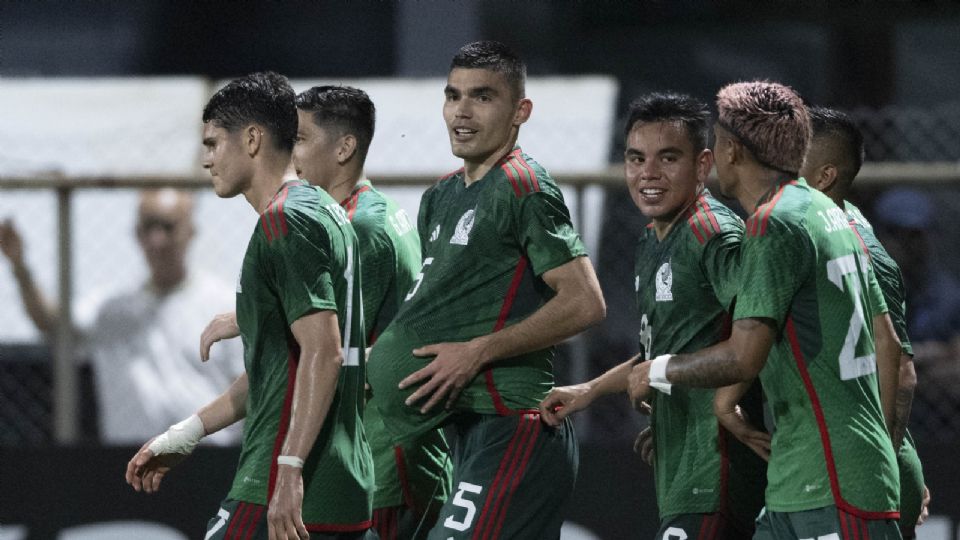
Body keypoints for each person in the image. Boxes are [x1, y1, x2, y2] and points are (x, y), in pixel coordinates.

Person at [627, 81, 904, 539]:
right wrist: (881, 457)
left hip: (831, 483)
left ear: (733, 150)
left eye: (715, 142)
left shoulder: (773, 224)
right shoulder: (828, 211)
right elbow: (887, 342)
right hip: (803, 480)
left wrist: (656, 371)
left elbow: (742, 355)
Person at [365, 41, 606, 539]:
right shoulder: (442, 194)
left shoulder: (525, 187)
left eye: (482, 97)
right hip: (467, 431)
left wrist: (477, 353)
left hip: (516, 425)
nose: (462, 111)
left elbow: (585, 302)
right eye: (452, 96)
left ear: (521, 110)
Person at [125, 72, 374, 540]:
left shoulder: (285, 222)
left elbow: (325, 352)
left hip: (281, 484)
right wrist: (189, 431)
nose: (207, 160)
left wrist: (288, 468)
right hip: (340, 482)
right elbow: (282, 368)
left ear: (253, 139)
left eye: (214, 143)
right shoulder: (324, 210)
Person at [201, 84, 454, 539]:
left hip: (382, 453)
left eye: (299, 139)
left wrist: (289, 463)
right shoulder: (366, 214)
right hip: (387, 451)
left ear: (344, 147)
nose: (290, 153)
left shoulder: (360, 228)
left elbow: (332, 346)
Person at [539, 92, 767, 539]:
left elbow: (759, 335)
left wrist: (717, 404)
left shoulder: (713, 234)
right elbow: (659, 353)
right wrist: (590, 389)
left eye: (668, 158)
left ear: (703, 165)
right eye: (636, 158)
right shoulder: (653, 238)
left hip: (716, 466)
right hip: (682, 461)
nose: (648, 173)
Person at [0, 190, 243, 445]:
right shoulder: (110, 310)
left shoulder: (224, 305)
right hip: (133, 464)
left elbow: (249, 386)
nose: (157, 239)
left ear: (190, 231)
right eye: (149, 226)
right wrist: (20, 268)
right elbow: (53, 325)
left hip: (209, 462)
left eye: (168, 227)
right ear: (137, 234)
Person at [800, 106, 930, 537]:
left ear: (824, 176)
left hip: (860, 470)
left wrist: (883, 467)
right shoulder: (824, 226)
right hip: (823, 461)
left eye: (791, 160)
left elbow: (903, 373)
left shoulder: (867, 252)